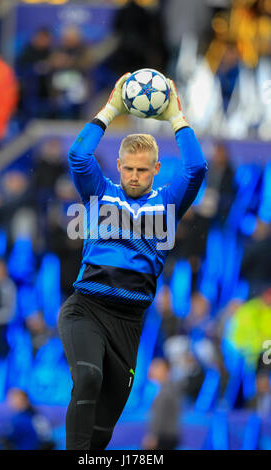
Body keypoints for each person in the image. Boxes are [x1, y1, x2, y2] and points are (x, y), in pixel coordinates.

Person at [58, 73, 207, 450]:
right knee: (87, 380)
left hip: (128, 324)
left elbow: (197, 168)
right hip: (86, 309)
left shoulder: (168, 204)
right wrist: (111, 108)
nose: (134, 176)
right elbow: (78, 154)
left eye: (143, 169)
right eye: (128, 168)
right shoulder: (99, 192)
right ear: (119, 165)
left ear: (156, 170)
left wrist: (176, 116)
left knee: (102, 431)